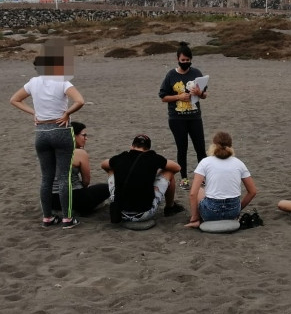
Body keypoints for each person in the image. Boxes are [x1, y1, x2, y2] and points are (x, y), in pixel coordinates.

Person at [9, 37, 84, 229]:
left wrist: (34, 113)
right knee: (64, 176)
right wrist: (67, 113)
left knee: (46, 177)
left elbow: (14, 100)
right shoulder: (63, 82)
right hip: (60, 130)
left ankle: (47, 217)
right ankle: (67, 218)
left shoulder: (33, 83)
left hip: (41, 131)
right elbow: (80, 101)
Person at [101, 134, 185, 223]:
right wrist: (152, 174)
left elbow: (103, 164)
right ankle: (170, 207)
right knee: (169, 172)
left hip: (118, 212)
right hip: (144, 214)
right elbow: (177, 168)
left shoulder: (122, 157)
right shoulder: (152, 157)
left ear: (132, 146)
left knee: (111, 170)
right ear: (148, 149)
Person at [158, 41, 208, 190]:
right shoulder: (171, 75)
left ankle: (202, 178)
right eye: (183, 60)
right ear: (178, 60)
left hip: (194, 117)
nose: (185, 63)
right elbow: (163, 97)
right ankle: (184, 178)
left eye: (188, 60)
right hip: (177, 118)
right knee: (182, 148)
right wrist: (179, 97)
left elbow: (205, 95)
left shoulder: (196, 73)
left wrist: (200, 93)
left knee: (200, 148)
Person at [184, 132, 257, 228]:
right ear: (230, 146)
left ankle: (196, 220)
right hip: (232, 212)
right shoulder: (239, 163)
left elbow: (193, 194)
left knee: (200, 190)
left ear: (213, 145)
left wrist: (195, 217)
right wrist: (238, 209)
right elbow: (252, 191)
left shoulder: (205, 162)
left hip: (211, 212)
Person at [49, 122, 110, 215]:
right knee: (107, 187)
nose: (86, 138)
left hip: (51, 199)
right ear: (73, 135)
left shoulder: (51, 150)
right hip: (72, 197)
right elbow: (86, 181)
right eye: (83, 135)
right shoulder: (79, 153)